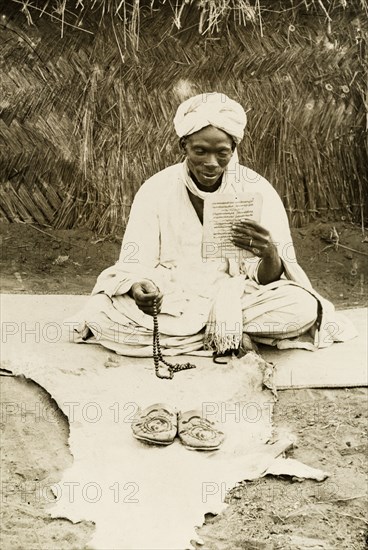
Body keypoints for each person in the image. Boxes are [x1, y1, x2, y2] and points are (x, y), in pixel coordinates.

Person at [73, 93, 356, 358]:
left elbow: (266, 278)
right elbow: (135, 263)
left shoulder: (257, 189)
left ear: (234, 149)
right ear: (182, 146)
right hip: (172, 297)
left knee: (302, 306)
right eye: (200, 151)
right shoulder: (155, 189)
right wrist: (139, 287)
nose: (211, 163)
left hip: (236, 296)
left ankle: (205, 334)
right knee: (100, 313)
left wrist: (270, 254)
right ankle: (228, 335)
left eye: (222, 152)